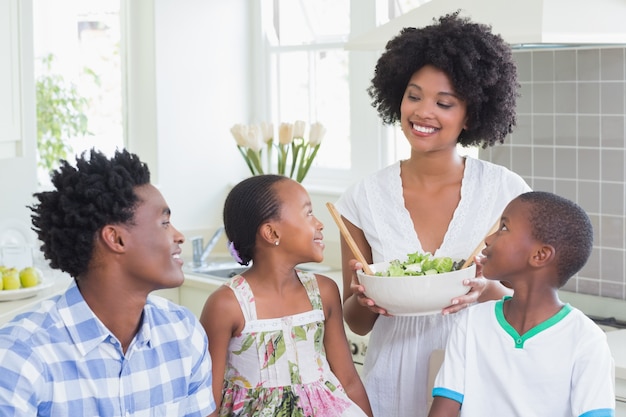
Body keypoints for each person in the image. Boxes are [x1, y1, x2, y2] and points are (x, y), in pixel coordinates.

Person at [334, 11, 532, 417]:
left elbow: (531, 302)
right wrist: (364, 298)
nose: (423, 112)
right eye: (414, 95)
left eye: (444, 103)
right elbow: (356, 323)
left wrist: (488, 292)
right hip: (390, 380)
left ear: (471, 114)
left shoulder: (507, 193)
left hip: (480, 374)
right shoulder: (362, 199)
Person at [0, 149, 216, 417]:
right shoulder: (20, 355)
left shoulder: (184, 333)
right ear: (116, 239)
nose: (179, 236)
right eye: (164, 223)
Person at [428, 191, 615, 416]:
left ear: (540, 255)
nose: (488, 239)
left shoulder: (586, 340)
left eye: (504, 228)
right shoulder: (471, 323)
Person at [199, 174, 373, 417]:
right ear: (272, 233)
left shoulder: (323, 292)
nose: (320, 224)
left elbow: (349, 380)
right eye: (308, 213)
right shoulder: (226, 305)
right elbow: (208, 403)